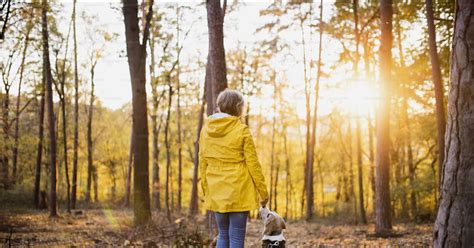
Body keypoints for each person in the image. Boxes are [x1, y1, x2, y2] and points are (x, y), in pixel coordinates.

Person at [199, 89, 269, 248]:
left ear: (220, 106)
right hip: (239, 190)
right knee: (236, 237)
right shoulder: (242, 130)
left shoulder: (206, 130)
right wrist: (263, 192)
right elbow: (253, 164)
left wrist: (206, 189)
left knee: (223, 235)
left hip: (217, 190)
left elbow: (203, 162)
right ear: (238, 107)